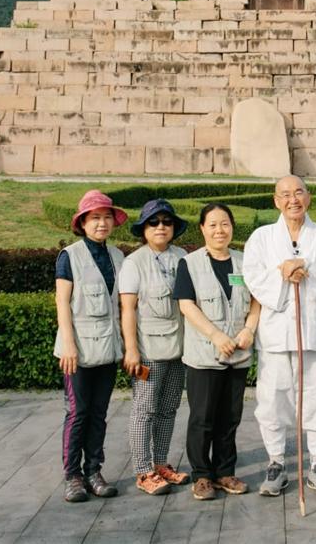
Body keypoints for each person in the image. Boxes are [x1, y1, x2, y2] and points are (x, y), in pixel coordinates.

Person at [243, 175, 316, 498]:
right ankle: (276, 463)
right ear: (276, 201)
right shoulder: (261, 238)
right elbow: (253, 277)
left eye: (298, 192)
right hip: (276, 334)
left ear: (309, 197)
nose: (293, 200)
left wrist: (308, 269)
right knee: (272, 400)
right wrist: (283, 274)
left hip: (314, 334)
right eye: (285, 194)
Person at [174, 203, 263, 501]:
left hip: (237, 354)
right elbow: (186, 304)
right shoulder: (189, 263)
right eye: (212, 224)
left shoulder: (244, 262)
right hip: (204, 355)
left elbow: (256, 301)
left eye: (224, 224)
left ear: (232, 227)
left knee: (230, 417)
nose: (219, 230)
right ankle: (201, 476)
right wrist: (215, 335)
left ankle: (225, 472)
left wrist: (249, 329)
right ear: (202, 229)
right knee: (202, 418)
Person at [53, 190, 128, 503]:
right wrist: (68, 344)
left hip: (109, 348)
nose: (101, 223)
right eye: (95, 218)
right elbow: (62, 301)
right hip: (79, 350)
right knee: (78, 412)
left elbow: (123, 305)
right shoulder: (69, 255)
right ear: (82, 223)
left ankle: (94, 470)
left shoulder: (118, 256)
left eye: (106, 217)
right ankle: (73, 475)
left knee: (99, 412)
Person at [118, 198, 190, 495]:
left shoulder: (182, 256)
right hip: (148, 350)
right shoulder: (134, 262)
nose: (161, 227)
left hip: (179, 349)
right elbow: (128, 309)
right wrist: (131, 350)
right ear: (143, 229)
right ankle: (143, 470)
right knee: (144, 409)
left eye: (167, 222)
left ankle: (161, 463)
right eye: (153, 222)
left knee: (169, 408)